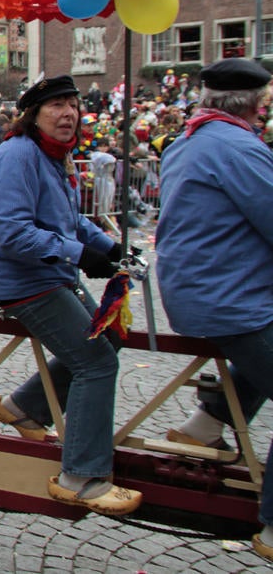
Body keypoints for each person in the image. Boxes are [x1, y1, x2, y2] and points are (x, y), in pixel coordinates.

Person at [0, 75, 140, 517]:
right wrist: (79, 254)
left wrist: (108, 247)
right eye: (56, 106)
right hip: (22, 279)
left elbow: (69, 219)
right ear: (34, 115)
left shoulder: (53, 155)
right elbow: (12, 232)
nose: (68, 113)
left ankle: (24, 407)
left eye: (73, 104)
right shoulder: (18, 155)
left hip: (49, 272)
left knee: (110, 336)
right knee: (96, 361)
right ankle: (81, 477)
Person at [155, 58, 273, 560]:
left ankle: (206, 424)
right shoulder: (238, 147)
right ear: (255, 105)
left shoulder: (190, 140)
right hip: (229, 295)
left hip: (204, 288)